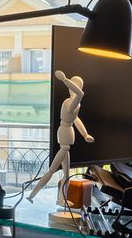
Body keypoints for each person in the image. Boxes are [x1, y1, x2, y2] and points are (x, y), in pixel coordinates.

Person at [27, 71, 93, 205]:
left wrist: (85, 134)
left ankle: (61, 199)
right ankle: (32, 195)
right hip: (64, 134)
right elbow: (80, 94)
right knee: (52, 170)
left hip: (67, 136)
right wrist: (65, 80)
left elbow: (76, 119)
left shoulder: (76, 104)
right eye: (76, 86)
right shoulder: (69, 102)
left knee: (66, 174)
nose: (78, 89)